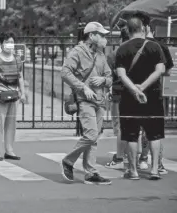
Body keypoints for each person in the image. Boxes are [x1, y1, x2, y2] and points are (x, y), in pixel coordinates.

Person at [60, 22, 113, 185]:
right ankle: (68, 161)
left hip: (100, 101)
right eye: (101, 35)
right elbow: (65, 72)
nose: (104, 38)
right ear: (92, 35)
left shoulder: (101, 55)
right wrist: (82, 87)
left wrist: (104, 80)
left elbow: (110, 77)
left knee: (94, 138)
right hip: (85, 101)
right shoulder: (77, 52)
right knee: (90, 134)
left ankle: (91, 172)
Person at [115, 15, 166, 180]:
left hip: (129, 98)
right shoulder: (154, 47)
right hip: (153, 96)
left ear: (128, 30)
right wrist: (143, 87)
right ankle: (154, 170)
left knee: (130, 134)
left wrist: (135, 89)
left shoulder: (122, 49)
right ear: (143, 29)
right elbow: (160, 70)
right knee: (155, 134)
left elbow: (121, 74)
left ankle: (133, 171)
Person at [132, 11, 172, 175]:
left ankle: (137, 163)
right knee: (155, 130)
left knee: (135, 127)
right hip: (154, 91)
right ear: (150, 28)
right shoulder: (160, 47)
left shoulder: (129, 45)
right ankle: (157, 164)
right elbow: (167, 70)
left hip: (134, 91)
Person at [0, 32, 26, 161]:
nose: (9, 44)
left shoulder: (17, 59)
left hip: (14, 95)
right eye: (7, 42)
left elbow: (20, 77)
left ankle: (9, 150)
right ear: (1, 44)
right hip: (0, 96)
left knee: (11, 124)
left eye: (11, 42)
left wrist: (23, 93)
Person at [105, 26, 130, 169]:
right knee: (134, 126)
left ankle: (120, 157)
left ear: (121, 38)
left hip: (119, 93)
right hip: (137, 92)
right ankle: (133, 157)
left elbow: (110, 76)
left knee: (120, 126)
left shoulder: (114, 54)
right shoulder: (141, 51)